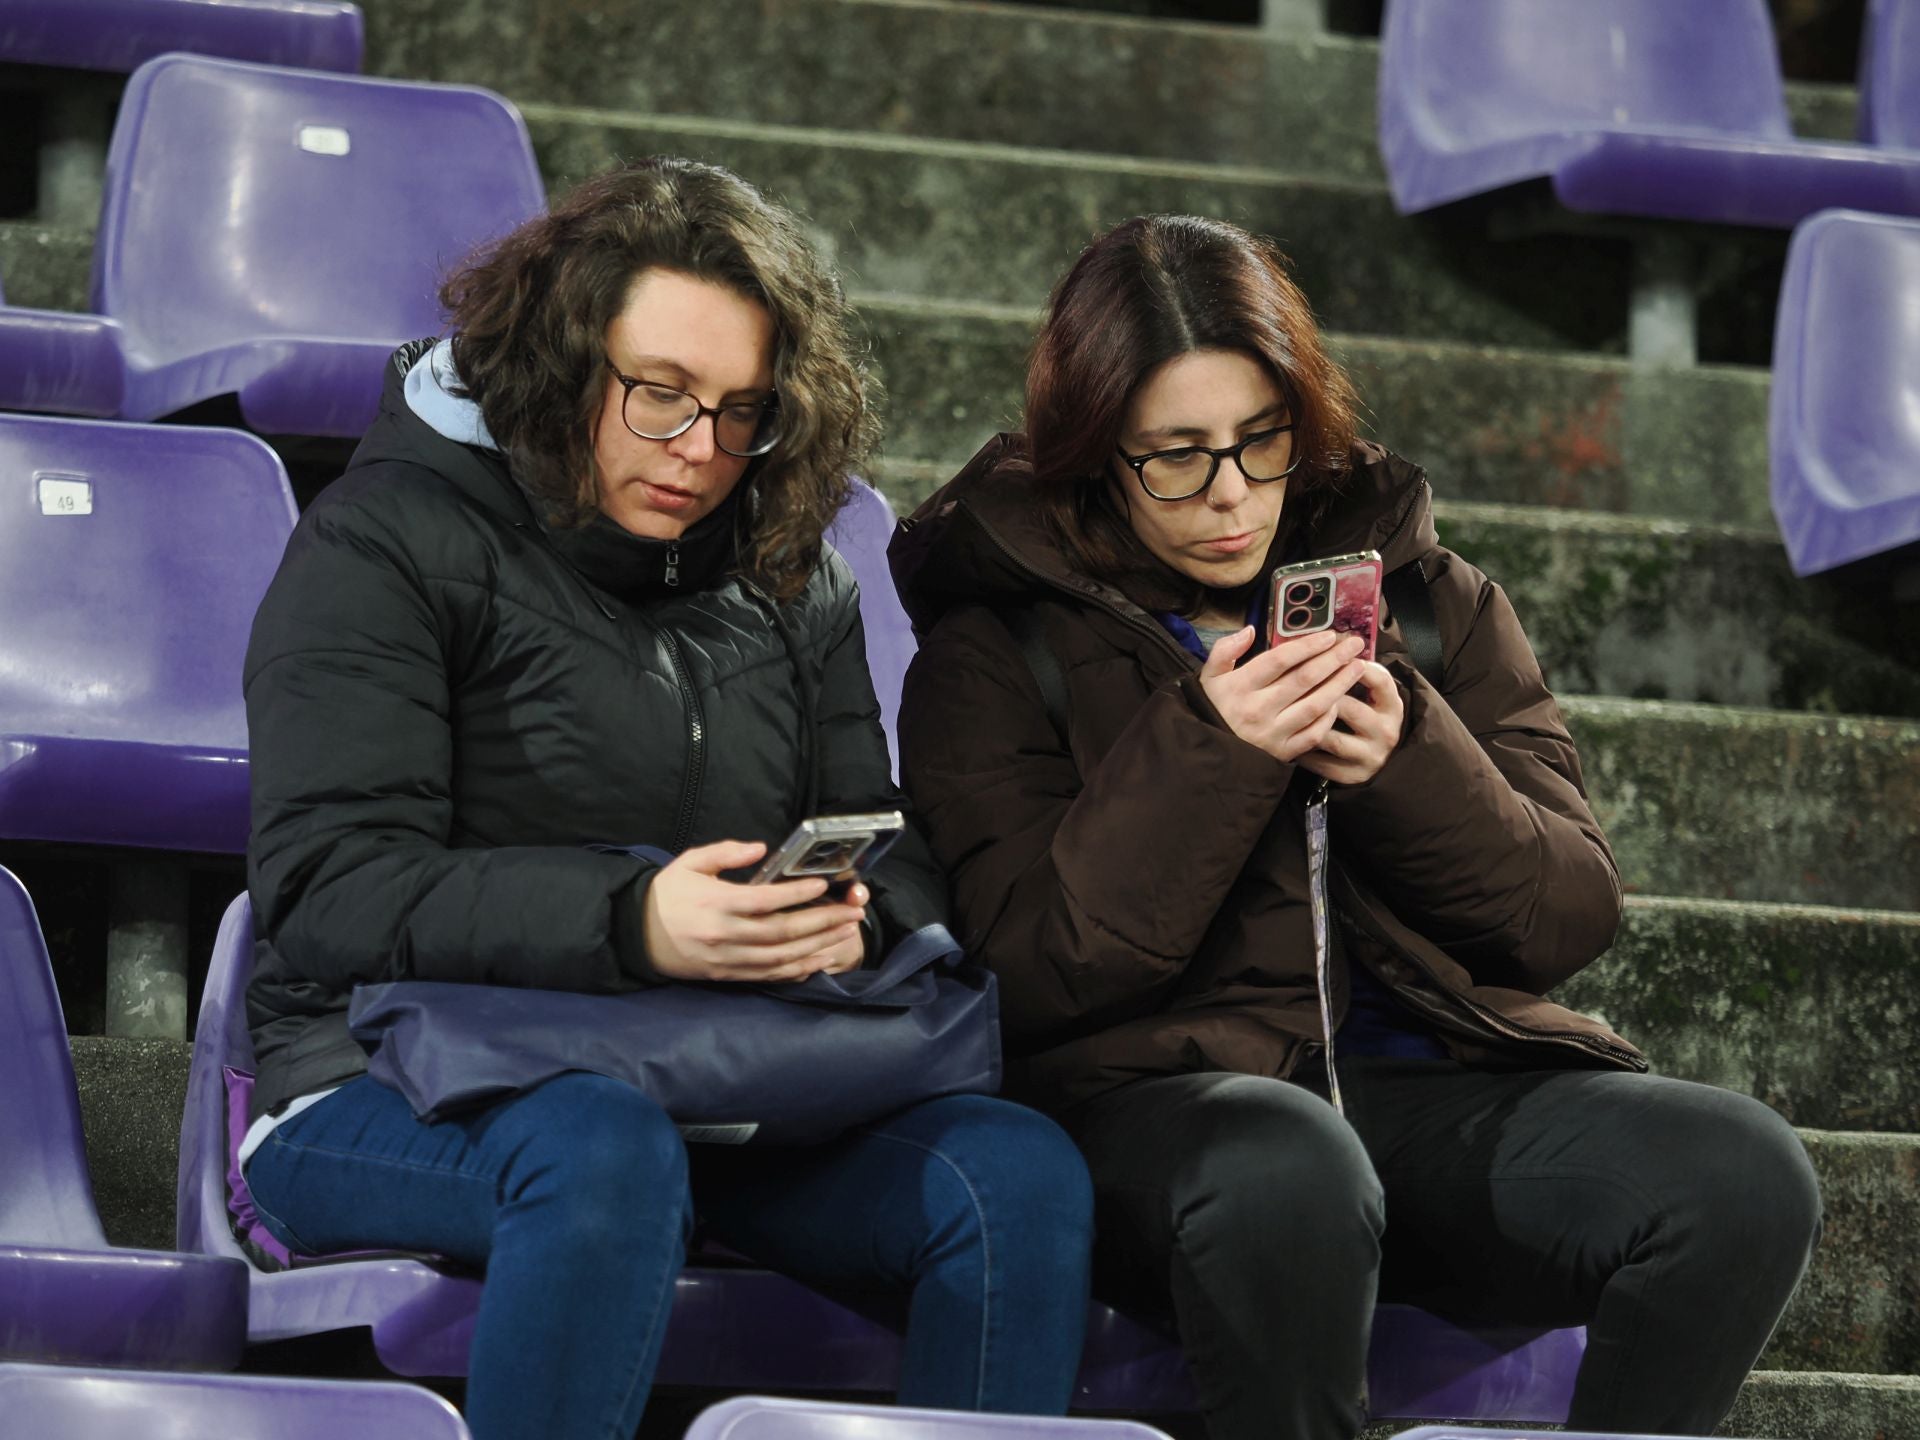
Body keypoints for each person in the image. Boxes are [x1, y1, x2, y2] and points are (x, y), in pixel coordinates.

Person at [888, 213, 1821, 1440]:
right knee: (1286, 1164)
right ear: (1093, 453)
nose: (1230, 496)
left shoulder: (1429, 603)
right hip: (1158, 1104)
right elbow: (1029, 971)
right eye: (1175, 457)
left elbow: (1567, 916)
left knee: (1742, 1176)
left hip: (1410, 1087)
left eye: (1259, 442)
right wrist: (1211, 750)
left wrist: (1409, 761)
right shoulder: (995, 647)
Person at [238, 157, 1094, 1440]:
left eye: (742, 410)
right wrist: (635, 919)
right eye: (660, 397)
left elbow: (896, 849)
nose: (700, 452)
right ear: (562, 365)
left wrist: (843, 918)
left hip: (707, 1069)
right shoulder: (383, 539)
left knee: (1013, 1175)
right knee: (598, 1151)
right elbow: (328, 888)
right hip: (384, 1074)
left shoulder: (795, 579)